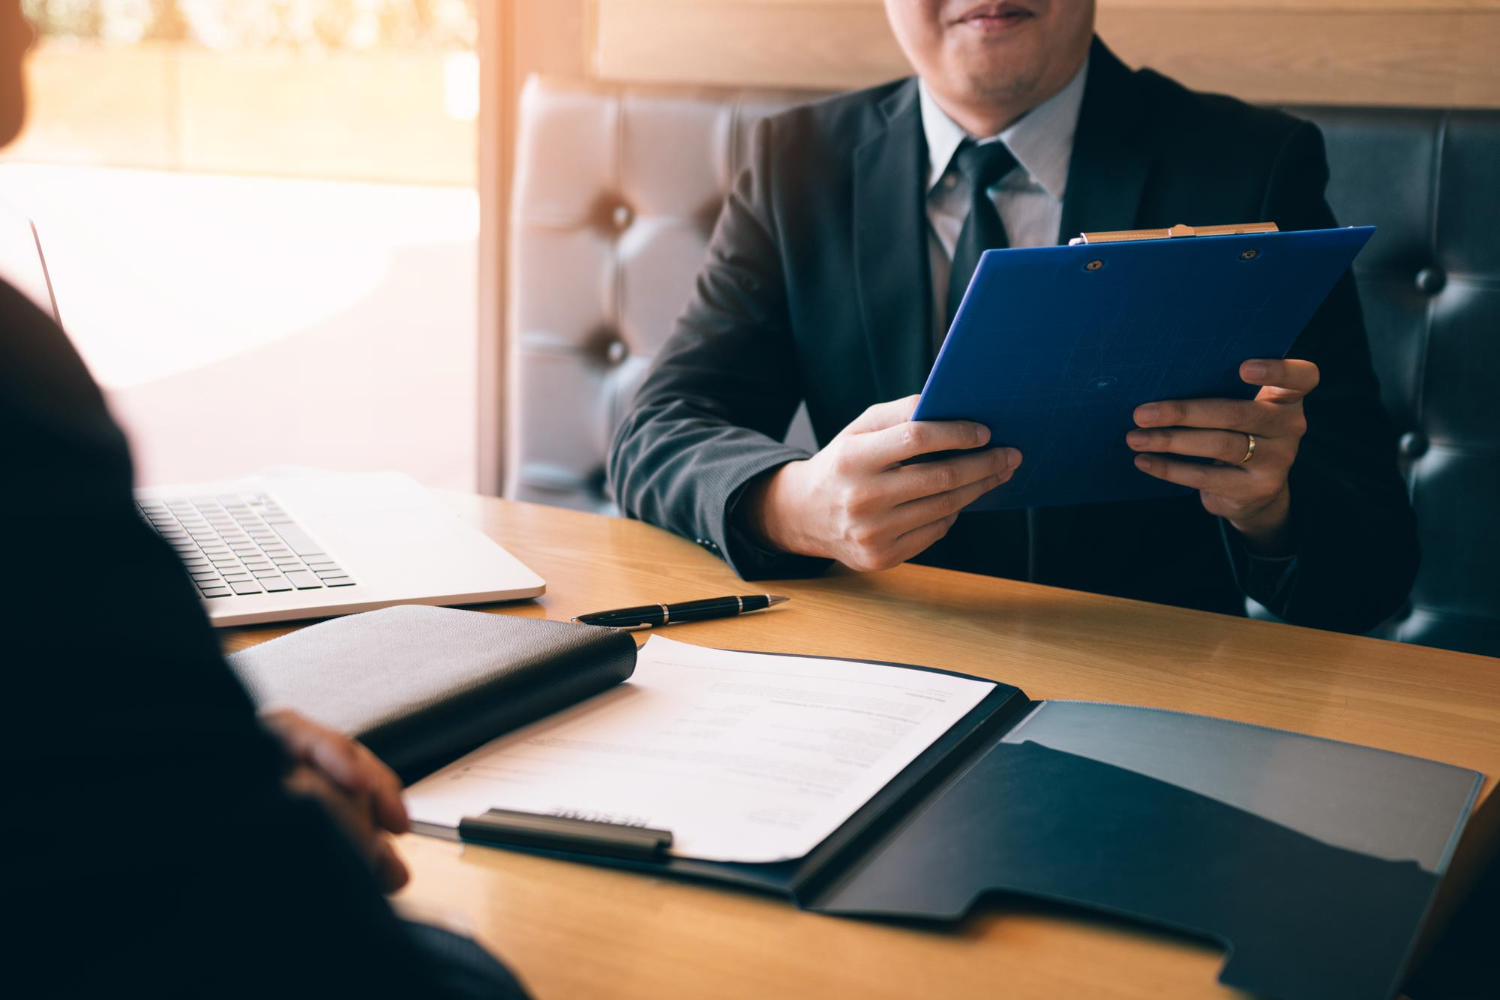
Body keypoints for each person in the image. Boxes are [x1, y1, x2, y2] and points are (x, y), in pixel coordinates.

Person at [1, 4, 524, 995]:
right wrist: (225, 798)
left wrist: (196, 750)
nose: (26, 23)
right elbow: (248, 921)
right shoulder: (13, 386)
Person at [608, 0, 1418, 634]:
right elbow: (656, 433)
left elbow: (1372, 574)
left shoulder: (1249, 165)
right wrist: (795, 504)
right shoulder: (797, 161)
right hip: (877, 666)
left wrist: (1269, 505)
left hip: (1156, 686)